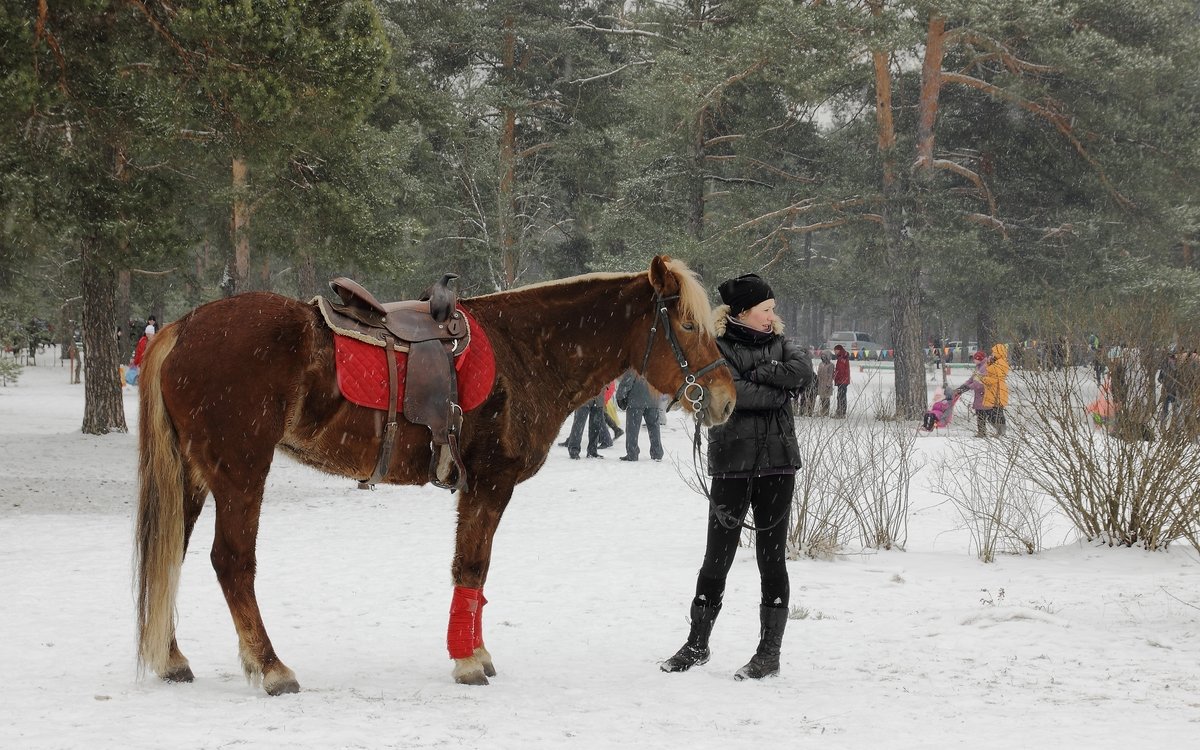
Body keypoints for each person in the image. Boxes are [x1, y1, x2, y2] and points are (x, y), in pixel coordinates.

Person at [661, 273, 813, 681]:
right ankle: (697, 644)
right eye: (766, 309)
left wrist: (757, 378)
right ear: (743, 311)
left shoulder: (783, 342)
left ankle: (768, 654)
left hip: (779, 463)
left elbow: (804, 374)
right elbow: (733, 394)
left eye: (772, 308)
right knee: (717, 555)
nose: (772, 315)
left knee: (772, 557)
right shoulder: (717, 345)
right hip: (731, 460)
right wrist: (773, 385)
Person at [615, 371, 663, 461]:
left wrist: (620, 396)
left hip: (635, 401)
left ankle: (632, 453)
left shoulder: (635, 365)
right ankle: (657, 452)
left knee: (632, 429)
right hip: (653, 400)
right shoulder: (654, 366)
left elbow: (627, 382)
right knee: (654, 427)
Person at [977, 343, 1010, 437]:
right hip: (994, 390)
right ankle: (1000, 431)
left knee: (994, 412)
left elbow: (996, 379)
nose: (992, 353)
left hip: (996, 391)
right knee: (995, 412)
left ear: (998, 352)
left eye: (994, 352)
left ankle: (1001, 431)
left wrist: (983, 379)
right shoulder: (997, 362)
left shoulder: (1000, 363)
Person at [564, 392, 606, 459]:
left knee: (596, 427)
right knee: (578, 426)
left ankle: (592, 451)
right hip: (583, 399)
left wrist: (605, 387)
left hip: (599, 399)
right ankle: (574, 450)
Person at [833, 343, 851, 418]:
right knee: (840, 396)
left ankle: (841, 411)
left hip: (842, 380)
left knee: (841, 396)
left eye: (835, 351)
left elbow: (841, 370)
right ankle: (840, 410)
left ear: (838, 350)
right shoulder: (841, 357)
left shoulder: (842, 358)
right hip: (842, 380)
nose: (834, 352)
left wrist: (838, 378)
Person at [815, 351, 834, 416]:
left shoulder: (831, 365)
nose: (823, 357)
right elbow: (818, 373)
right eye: (822, 356)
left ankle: (826, 412)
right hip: (820, 384)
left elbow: (831, 375)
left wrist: (828, 384)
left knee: (826, 399)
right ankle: (822, 411)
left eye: (824, 356)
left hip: (826, 384)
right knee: (822, 398)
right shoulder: (820, 364)